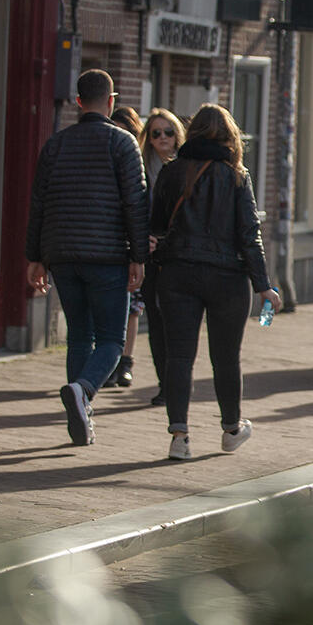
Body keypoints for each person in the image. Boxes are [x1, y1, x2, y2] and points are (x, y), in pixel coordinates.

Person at [149, 104, 279, 460]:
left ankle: (179, 436)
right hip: (227, 277)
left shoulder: (172, 172)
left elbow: (157, 223)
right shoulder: (236, 175)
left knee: (179, 356)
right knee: (225, 358)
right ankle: (231, 429)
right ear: (229, 136)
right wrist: (263, 284)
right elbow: (248, 234)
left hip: (177, 273)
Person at [25, 69, 148, 447]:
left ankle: (80, 417)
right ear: (111, 102)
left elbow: (38, 203)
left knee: (79, 334)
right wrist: (138, 255)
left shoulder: (55, 145)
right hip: (107, 255)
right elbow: (135, 203)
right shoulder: (123, 143)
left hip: (62, 254)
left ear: (78, 102)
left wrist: (35, 257)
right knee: (111, 340)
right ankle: (84, 390)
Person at [131, 107, 186, 404]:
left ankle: (176, 385)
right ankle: (165, 385)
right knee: (155, 321)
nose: (163, 138)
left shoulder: (186, 169)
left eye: (168, 132)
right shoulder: (139, 168)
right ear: (148, 138)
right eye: (156, 133)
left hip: (176, 256)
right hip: (150, 256)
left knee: (175, 322)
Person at [107, 108, 144, 391]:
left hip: (133, 246)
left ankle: (126, 362)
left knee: (132, 309)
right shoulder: (104, 161)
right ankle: (107, 363)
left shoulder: (139, 163)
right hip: (109, 245)